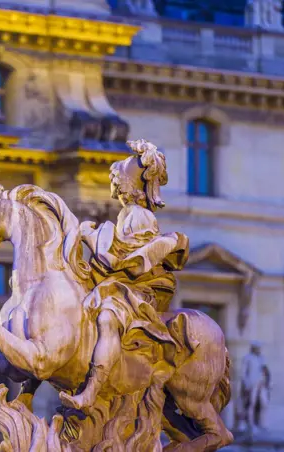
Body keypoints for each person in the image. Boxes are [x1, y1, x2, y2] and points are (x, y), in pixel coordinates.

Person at [60, 139, 189, 412]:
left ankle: (92, 389)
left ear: (129, 187)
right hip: (122, 285)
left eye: (117, 184)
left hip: (137, 291)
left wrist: (89, 237)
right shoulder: (126, 215)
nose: (114, 189)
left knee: (107, 318)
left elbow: (122, 260)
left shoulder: (140, 217)